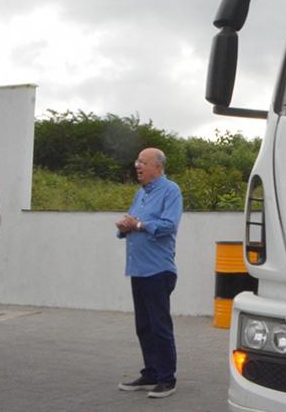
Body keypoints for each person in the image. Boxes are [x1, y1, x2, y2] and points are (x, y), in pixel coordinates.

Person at [116, 148, 183, 400]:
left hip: (159, 270)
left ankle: (167, 378)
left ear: (158, 167)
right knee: (143, 326)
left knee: (159, 326)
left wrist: (139, 225)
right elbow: (133, 223)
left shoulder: (171, 191)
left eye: (143, 162)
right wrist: (124, 227)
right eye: (137, 162)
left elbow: (168, 226)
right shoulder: (140, 194)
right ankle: (151, 373)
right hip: (138, 269)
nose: (137, 166)